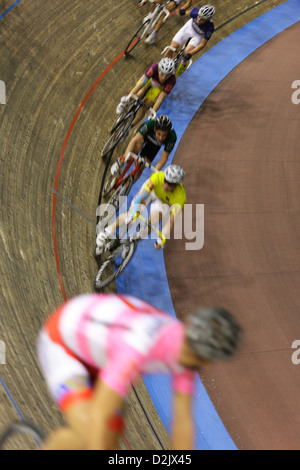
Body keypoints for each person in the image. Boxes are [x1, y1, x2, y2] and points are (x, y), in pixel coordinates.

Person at [37, 292, 242, 450]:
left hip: (101, 355)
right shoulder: (142, 344)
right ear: (205, 357)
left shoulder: (186, 354)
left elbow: (182, 420)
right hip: (63, 345)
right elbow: (100, 413)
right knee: (90, 430)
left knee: (109, 436)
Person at [96, 163, 186, 253]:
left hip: (162, 202)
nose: (166, 186)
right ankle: (109, 230)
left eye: (170, 184)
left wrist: (162, 238)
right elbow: (142, 197)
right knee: (132, 215)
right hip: (150, 192)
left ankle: (131, 242)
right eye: (165, 181)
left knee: (152, 224)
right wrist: (133, 214)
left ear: (177, 185)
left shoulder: (180, 197)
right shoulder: (158, 177)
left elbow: (170, 221)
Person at [110, 114, 177, 185]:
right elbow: (135, 140)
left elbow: (164, 158)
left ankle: (124, 190)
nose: (161, 138)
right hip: (144, 136)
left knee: (141, 167)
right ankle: (120, 162)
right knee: (136, 148)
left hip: (154, 145)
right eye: (159, 134)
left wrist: (154, 174)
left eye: (164, 135)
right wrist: (125, 157)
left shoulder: (172, 137)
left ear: (168, 133)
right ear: (155, 129)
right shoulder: (150, 124)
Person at [116, 57, 176, 128]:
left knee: (145, 107)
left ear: (171, 74)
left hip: (159, 88)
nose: (163, 78)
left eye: (167, 75)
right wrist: (128, 96)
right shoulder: (154, 67)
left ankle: (129, 127)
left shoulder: (172, 80)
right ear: (159, 70)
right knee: (139, 93)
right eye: (162, 73)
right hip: (149, 80)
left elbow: (161, 98)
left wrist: (151, 114)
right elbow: (142, 83)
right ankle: (125, 103)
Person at [164, 5, 215, 76]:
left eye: (202, 19)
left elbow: (202, 44)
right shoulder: (195, 12)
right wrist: (180, 12)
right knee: (172, 47)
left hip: (197, 36)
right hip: (189, 28)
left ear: (208, 20)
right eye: (199, 16)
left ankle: (183, 64)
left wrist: (190, 54)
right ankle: (163, 65)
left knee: (187, 52)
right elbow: (185, 13)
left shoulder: (210, 27)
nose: (199, 19)